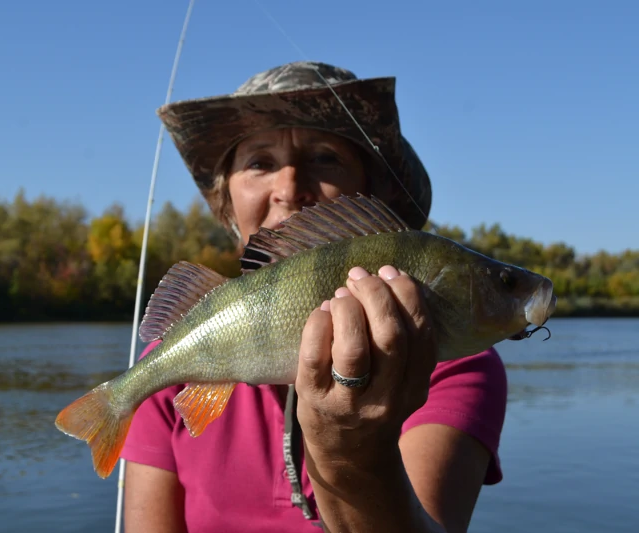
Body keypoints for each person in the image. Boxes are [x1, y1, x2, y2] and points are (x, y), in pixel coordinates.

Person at [120, 61, 508, 533]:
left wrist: (348, 445)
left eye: (325, 158)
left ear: (374, 192)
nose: (289, 190)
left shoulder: (447, 362)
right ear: (227, 201)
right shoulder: (170, 369)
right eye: (260, 162)